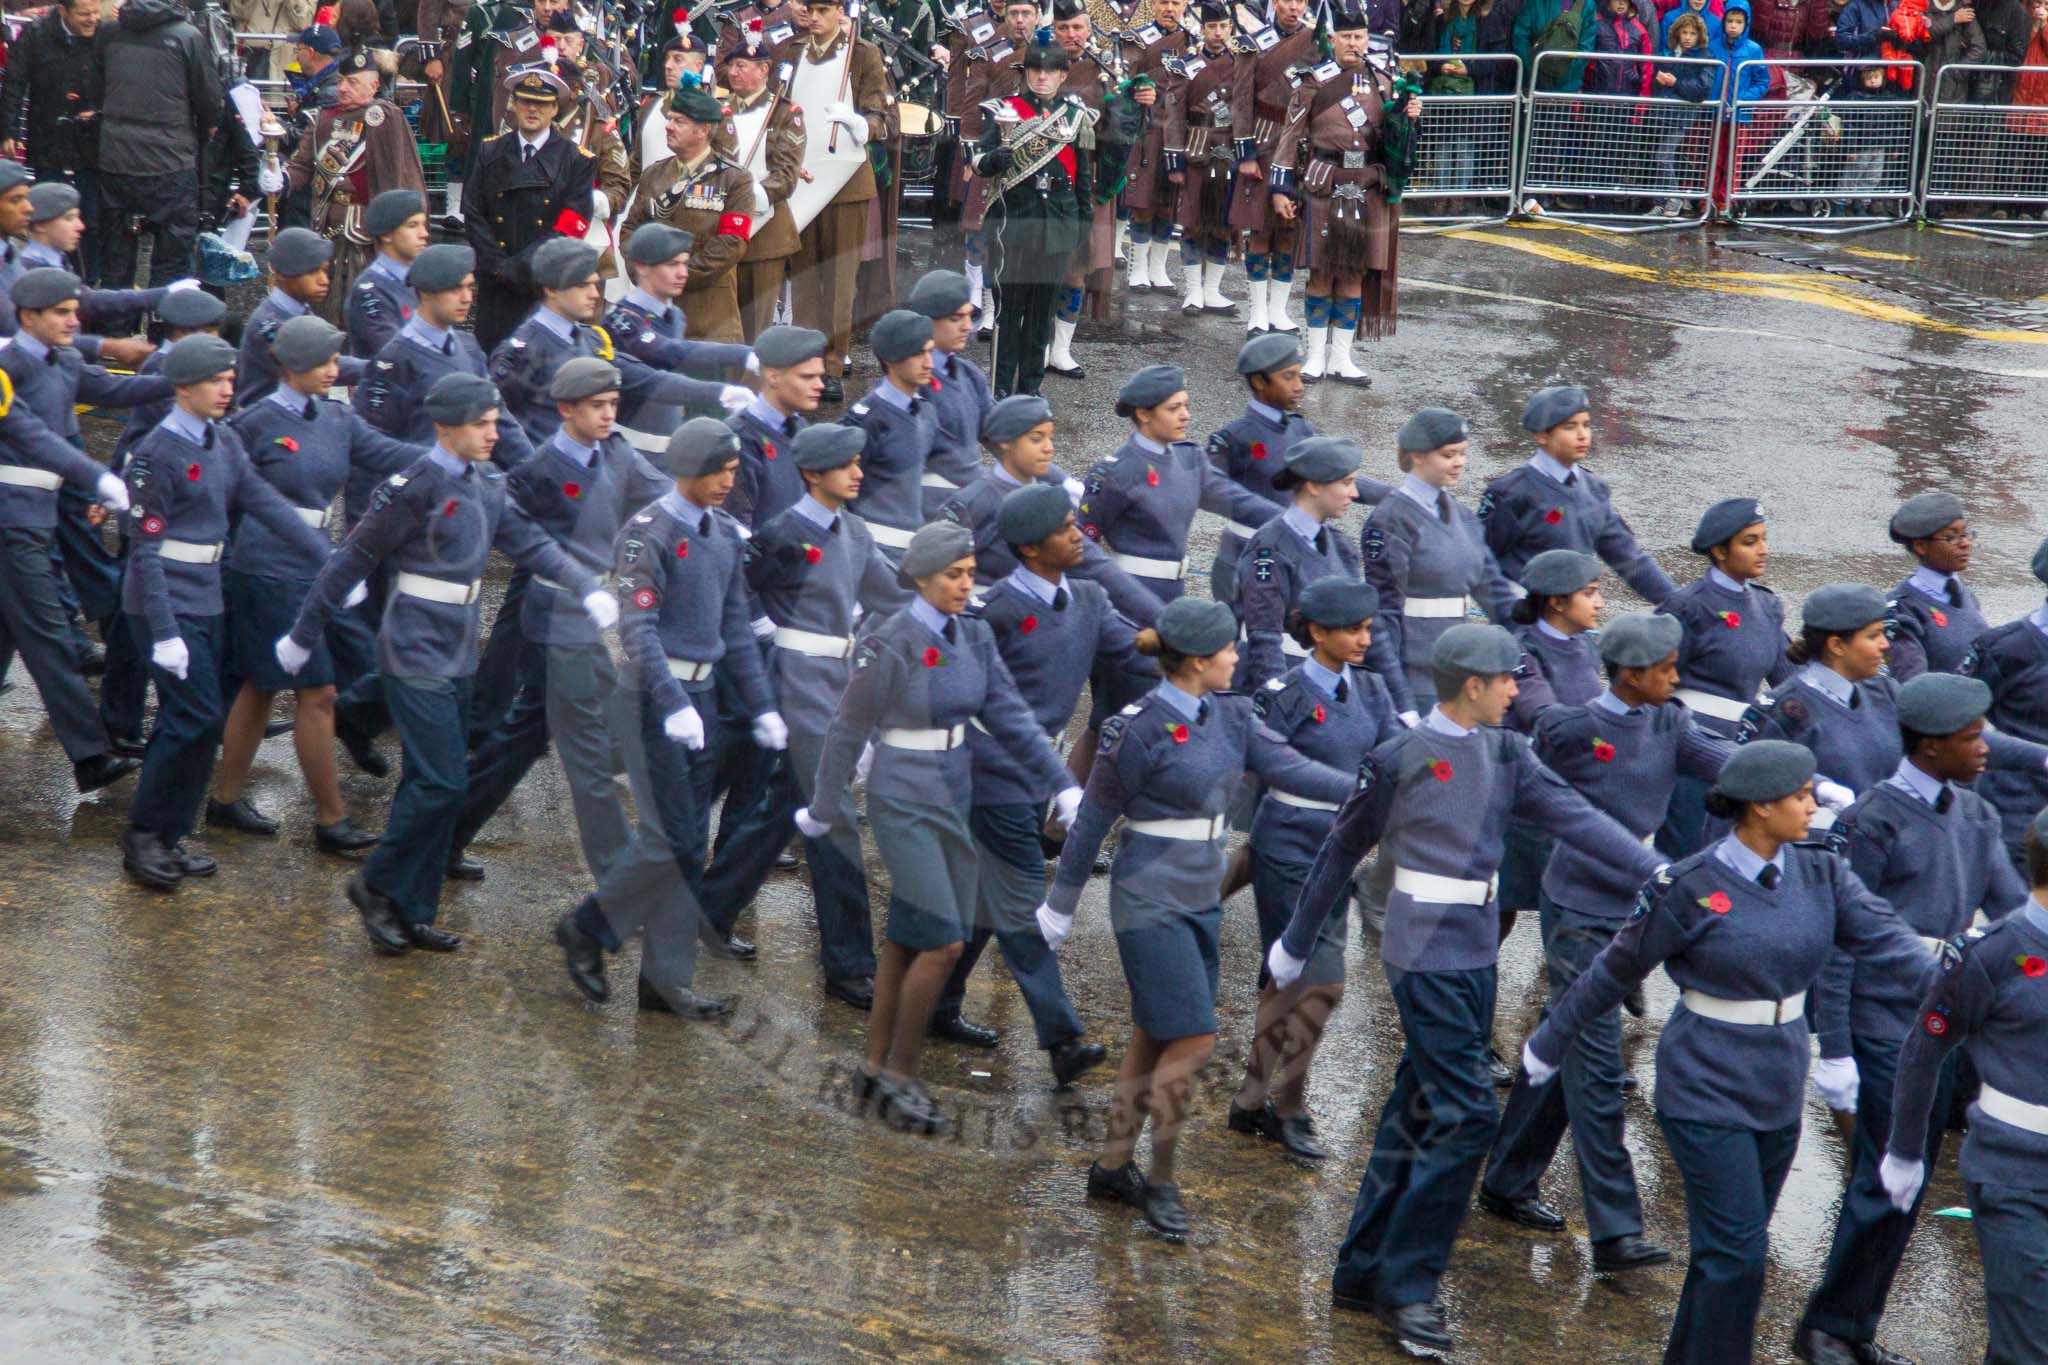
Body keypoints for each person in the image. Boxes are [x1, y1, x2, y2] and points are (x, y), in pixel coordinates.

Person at [1266, 623, 1664, 1355]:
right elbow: (1342, 848)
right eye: (1507, 678)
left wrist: (1660, 872)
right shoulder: (1400, 757)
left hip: (1476, 943)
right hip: (1422, 947)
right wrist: (1295, 940)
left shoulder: (1510, 752)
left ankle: (1359, 1269)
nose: (1519, 689)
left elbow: (1579, 820)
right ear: (1472, 685)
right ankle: (1407, 1288)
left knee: (1416, 1104)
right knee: (1468, 1115)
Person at [1521, 740, 1932, 1364]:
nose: (1812, 806)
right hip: (1703, 1084)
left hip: (1776, 1081)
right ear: (1760, 809)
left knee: (1727, 1253)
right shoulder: (1690, 887)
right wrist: (1548, 1044)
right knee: (1738, 1254)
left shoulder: (1820, 870)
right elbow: (1613, 970)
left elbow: (1886, 940)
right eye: (1800, 797)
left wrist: (1970, 992)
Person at [275, 372, 613, 955]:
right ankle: (376, 884)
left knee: (429, 783)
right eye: (480, 425)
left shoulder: (485, 483)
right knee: (444, 779)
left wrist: (584, 584)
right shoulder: (413, 485)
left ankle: (412, 908)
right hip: (412, 646)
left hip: (456, 647)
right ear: (444, 428)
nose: (493, 435)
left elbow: (531, 544)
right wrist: (304, 636)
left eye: (494, 424)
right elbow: (351, 558)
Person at [1043, 596, 1342, 1236]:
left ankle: (1111, 1166)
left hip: (1200, 891)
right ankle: (1160, 1179)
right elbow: (1093, 821)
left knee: (1156, 1033)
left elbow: (1291, 767)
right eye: (1229, 650)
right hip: (1149, 894)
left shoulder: (1232, 713)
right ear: (1200, 661)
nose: (1239, 657)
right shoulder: (1137, 728)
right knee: (1196, 1037)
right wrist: (1059, 908)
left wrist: (1368, 787)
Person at [804, 521, 1080, 1135]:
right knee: (944, 942)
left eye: (971, 572)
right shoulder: (888, 641)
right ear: (921, 576)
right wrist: (824, 809)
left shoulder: (977, 635)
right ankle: (901, 1077)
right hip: (902, 798)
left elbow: (1008, 715)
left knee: (907, 939)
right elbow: (847, 730)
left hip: (953, 795)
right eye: (953, 574)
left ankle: (873, 1069)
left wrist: (1063, 783)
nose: (965, 584)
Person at [1480, 613, 1733, 1274]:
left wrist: (1796, 782)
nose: (1678, 677)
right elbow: (1516, 779)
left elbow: (1724, 766)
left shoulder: (1669, 721)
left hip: (1635, 904)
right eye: (1666, 668)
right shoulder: (1573, 727)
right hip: (1581, 903)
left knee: (1564, 1040)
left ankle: (1507, 1177)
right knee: (1594, 1063)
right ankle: (1616, 1229)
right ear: (1630, 673)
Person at [1793, 674, 2028, 1365]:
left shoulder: (1977, 814)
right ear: (1930, 745)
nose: (1984, 746)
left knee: (1909, 1180)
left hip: (1942, 1020)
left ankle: (1852, 1325)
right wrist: (1832, 1048)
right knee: (1880, 1178)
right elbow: (1840, 941)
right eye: (1969, 737)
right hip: (1881, 1023)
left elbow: (2014, 908)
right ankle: (1826, 1327)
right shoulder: (1873, 820)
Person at [552, 418, 785, 1020]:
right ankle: (588, 928)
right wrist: (674, 701)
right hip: (653, 701)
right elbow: (636, 628)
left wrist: (760, 705)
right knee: (674, 838)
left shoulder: (726, 535)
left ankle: (663, 981)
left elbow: (734, 625)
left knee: (686, 846)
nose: (727, 481)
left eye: (733, 470)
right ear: (688, 470)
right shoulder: (648, 533)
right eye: (717, 471)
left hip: (702, 702)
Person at [930, 481, 1148, 1081]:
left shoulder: (1086, 599)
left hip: (1039, 771)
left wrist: (1192, 654)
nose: (1078, 533)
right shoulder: (995, 610)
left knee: (982, 896)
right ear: (1029, 548)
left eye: (1075, 523)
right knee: (1024, 898)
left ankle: (938, 1003)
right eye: (1063, 529)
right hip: (994, 768)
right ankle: (1062, 1039)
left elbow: (1134, 652)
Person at [696, 423, 907, 1007]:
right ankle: (848, 965)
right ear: (813, 474)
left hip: (832, 683)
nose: (858, 473)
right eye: (846, 465)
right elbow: (734, 587)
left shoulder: (854, 531)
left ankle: (708, 910)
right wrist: (763, 635)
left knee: (777, 816)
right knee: (831, 819)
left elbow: (891, 596)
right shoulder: (783, 532)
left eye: (859, 462)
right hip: (793, 683)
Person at [443, 357, 675, 884]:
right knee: (588, 747)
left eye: (613, 405)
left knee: (524, 736)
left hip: (585, 622)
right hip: (551, 619)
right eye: (596, 406)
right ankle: (619, 877)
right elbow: (504, 525)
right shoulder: (542, 469)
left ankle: (443, 834)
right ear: (567, 409)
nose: (608, 415)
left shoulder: (615, 451)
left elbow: (663, 495)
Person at [118, 335, 337, 891]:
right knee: (188, 718)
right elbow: (143, 551)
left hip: (207, 594)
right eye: (216, 381)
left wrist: (330, 562)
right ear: (184, 387)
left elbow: (265, 504)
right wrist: (164, 632)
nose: (227, 390)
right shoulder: (155, 454)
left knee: (200, 720)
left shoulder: (222, 442)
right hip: (164, 600)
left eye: (230, 380)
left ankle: (169, 833)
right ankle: (144, 834)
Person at [209, 316, 416, 852]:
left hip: (317, 567)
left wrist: (451, 455)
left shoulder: (337, 418)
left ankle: (226, 799)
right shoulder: (253, 423)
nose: (335, 370)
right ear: (293, 367)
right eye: (325, 362)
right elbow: (221, 488)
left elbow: (390, 454)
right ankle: (330, 819)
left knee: (261, 686)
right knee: (317, 691)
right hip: (268, 568)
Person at [1230, 577, 1401, 1162]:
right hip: (1290, 846)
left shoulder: (1372, 688)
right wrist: (1359, 790)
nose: (1364, 639)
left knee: (1288, 984)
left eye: (1368, 629)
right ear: (1317, 632)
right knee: (1319, 983)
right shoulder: (1286, 692)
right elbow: (1272, 761)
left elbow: (1396, 751)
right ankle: (1287, 1105)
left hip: (1343, 849)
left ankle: (1253, 1097)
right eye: (1352, 630)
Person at [1880, 804, 2048, 1365]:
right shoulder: (1993, 954)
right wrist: (1905, 1150)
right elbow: (1925, 1048)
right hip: (2013, 1172)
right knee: (2030, 1343)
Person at [0, 272, 146, 798]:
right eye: (61, 312)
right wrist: (96, 476)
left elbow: (114, 387)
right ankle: (89, 755)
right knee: (47, 637)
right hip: (10, 520)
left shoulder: (58, 360)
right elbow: (29, 435)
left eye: (72, 309)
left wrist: (182, 376)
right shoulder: (6, 365)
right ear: (28, 317)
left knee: (14, 627)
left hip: (31, 516)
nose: (73, 319)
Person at [1269, 0, 1421, 384]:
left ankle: (1342, 358)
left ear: (1368, 39)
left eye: (1360, 37)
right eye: (1347, 37)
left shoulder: (1384, 82)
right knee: (1321, 274)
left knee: (1354, 275)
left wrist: (1409, 116)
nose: (1354, 44)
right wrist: (1280, 187)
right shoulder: (1311, 82)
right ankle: (1315, 357)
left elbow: (1394, 140)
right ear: (1332, 39)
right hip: (1324, 182)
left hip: (1367, 185)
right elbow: (1289, 138)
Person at [936, 393, 1162, 625]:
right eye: (1036, 439)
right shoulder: (973, 502)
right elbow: (932, 574)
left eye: (1050, 438)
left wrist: (1161, 620)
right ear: (1005, 441)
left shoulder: (1049, 497)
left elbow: (1097, 567)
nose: (1049, 449)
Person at [1359, 407, 1518, 720]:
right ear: (1417, 456)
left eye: (1462, 453)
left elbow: (1496, 594)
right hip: (1415, 679)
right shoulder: (1390, 520)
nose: (1459, 463)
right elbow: (1383, 617)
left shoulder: (1464, 516)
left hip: (1460, 676)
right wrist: (1400, 701)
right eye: (1448, 455)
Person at [1078, 364, 1278, 609]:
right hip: (1127, 599)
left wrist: (1296, 521)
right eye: (1174, 408)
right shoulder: (1115, 472)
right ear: (1143, 414)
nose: (1186, 415)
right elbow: (1084, 547)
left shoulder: (1191, 460)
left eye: (1185, 405)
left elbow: (1240, 503)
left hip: (1175, 598)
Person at [1654, 496, 1790, 855]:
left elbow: (1789, 679)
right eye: (1750, 542)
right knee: (1686, 858)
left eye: (1763, 538)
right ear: (1719, 550)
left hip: (1740, 753)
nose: (1763, 550)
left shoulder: (1767, 606)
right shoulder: (1689, 606)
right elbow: (1651, 683)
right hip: (1691, 753)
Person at [970, 32, 1102, 399]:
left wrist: (1083, 229)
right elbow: (978, 161)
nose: (1041, 77)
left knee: (1042, 313)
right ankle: (999, 385)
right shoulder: (1004, 110)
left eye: (1050, 71)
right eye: (1035, 70)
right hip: (1013, 225)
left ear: (1063, 75)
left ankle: (1030, 387)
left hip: (1057, 225)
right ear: (1025, 72)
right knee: (1009, 311)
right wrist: (993, 160)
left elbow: (1083, 181)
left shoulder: (1077, 118)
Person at [1478, 385, 1677, 606]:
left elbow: (1630, 560)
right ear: (1542, 435)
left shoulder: (1594, 489)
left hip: (1573, 621)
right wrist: (1510, 612)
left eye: (1587, 425)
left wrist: (1683, 607)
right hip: (1523, 621)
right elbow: (1481, 561)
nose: (1583, 435)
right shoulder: (1511, 493)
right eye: (1570, 427)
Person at [784, 0, 892, 405]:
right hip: (803, 177)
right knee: (806, 275)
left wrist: (860, 124)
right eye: (809, 8)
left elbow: (880, 114)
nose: (814, 16)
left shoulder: (862, 53)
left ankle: (832, 361)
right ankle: (806, 356)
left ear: (839, 13)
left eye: (824, 9)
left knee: (839, 279)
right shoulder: (795, 52)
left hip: (844, 178)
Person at [270, 47, 427, 322]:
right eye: (341, 80)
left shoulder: (384, 118)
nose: (343, 88)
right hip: (325, 228)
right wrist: (279, 178)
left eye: (352, 82)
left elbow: (401, 177)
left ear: (374, 85)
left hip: (365, 235)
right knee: (324, 309)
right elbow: (301, 166)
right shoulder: (323, 119)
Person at [461, 66, 598, 353]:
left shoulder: (576, 160)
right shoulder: (490, 152)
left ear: (554, 109)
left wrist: (522, 268)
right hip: (495, 285)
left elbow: (571, 225)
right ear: (513, 104)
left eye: (542, 104)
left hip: (546, 286)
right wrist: (499, 266)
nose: (532, 109)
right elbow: (474, 213)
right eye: (525, 101)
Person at [94, 0, 224, 290]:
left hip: (116, 160)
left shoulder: (110, 33)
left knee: (116, 262)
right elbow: (210, 99)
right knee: (171, 264)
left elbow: (97, 84)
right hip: (170, 162)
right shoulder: (187, 36)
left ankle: (116, 327)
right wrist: (203, 131)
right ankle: (163, 328)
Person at [621, 83, 760, 347]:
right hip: (654, 318)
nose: (668, 126)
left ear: (703, 130)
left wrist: (675, 276)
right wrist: (644, 273)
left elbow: (731, 244)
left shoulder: (734, 179)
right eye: (670, 119)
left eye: (679, 121)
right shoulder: (654, 174)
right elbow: (630, 230)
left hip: (709, 321)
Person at [601, 223, 756, 458]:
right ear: (642, 267)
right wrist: (742, 356)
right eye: (672, 264)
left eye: (684, 263)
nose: (683, 273)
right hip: (630, 450)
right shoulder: (622, 321)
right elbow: (669, 352)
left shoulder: (674, 315)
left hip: (669, 447)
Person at [1234, 437, 1364, 693]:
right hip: (1291, 680)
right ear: (1313, 486)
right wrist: (1280, 701)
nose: (1355, 493)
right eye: (1346, 483)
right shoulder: (1269, 548)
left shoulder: (1341, 546)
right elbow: (1264, 639)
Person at [1229, 0, 1321, 336]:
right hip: (1264, 139)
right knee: (1260, 231)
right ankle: (1257, 311)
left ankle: (1279, 312)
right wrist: (1246, 153)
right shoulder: (1252, 44)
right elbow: (1240, 102)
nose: (1294, 7)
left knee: (1289, 231)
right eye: (1287, 0)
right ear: (1275, 4)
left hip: (1301, 147)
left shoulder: (1318, 41)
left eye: (1300, 1)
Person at [1, 0, 105, 283]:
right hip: (48, 140)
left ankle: (88, 284)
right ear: (63, 11)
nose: (92, 19)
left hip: (92, 146)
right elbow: (14, 83)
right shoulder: (36, 34)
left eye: (96, 12)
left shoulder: (104, 35)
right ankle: (46, 278)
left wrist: (100, 113)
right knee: (49, 215)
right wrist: (9, 131)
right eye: (84, 14)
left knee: (91, 221)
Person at [719, 29, 807, 342]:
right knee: (726, 323)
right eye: (731, 66)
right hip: (723, 227)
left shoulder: (785, 113)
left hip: (766, 232)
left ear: (764, 70)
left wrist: (753, 195)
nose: (733, 72)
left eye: (741, 66)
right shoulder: (718, 111)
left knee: (756, 327)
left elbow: (786, 172)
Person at [955, 0, 1040, 323]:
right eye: (1014, 14)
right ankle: (974, 289)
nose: (1019, 21)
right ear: (1005, 17)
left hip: (1031, 152)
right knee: (979, 225)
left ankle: (1002, 300)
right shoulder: (985, 52)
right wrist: (971, 157)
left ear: (1037, 17)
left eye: (1026, 14)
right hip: (991, 149)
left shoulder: (1048, 56)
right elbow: (971, 105)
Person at [840, 310, 939, 563]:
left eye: (930, 352)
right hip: (876, 554)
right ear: (890, 360)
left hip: (915, 551)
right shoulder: (866, 420)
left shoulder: (926, 411)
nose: (929, 363)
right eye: (918, 354)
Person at [237, 228, 369, 408]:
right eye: (313, 272)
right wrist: (378, 368)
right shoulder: (267, 324)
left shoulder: (300, 310)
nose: (324, 280)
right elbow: (316, 360)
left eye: (324, 271)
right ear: (283, 275)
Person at [1169, 2, 1244, 316]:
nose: (1217, 32)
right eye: (1212, 26)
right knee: (1192, 223)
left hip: (1228, 150)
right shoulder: (1186, 63)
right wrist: (1174, 163)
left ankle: (1212, 291)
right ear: (1201, 29)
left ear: (1231, 29)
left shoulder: (1243, 63)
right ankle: (1193, 291)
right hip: (1196, 149)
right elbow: (1173, 114)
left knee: (1223, 224)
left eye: (1224, 26)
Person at [903, 270, 993, 516]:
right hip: (930, 515)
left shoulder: (968, 373)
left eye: (969, 316)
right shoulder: (912, 382)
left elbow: (1005, 435)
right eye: (955, 318)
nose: (967, 327)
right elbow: (951, 465)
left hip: (967, 502)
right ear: (927, 322)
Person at [1118, 0, 1191, 299]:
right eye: (1163, 2)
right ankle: (1137, 268)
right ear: (1151, 4)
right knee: (1143, 202)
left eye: (1176, 2)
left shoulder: (1193, 40)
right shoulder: (1137, 39)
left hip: (1179, 131)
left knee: (1168, 203)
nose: (1169, 8)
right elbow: (1124, 82)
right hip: (1146, 128)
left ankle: (1158, 269)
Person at [727, 324, 828, 529]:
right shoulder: (739, 440)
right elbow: (736, 529)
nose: (820, 385)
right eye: (808, 377)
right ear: (774, 377)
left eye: (820, 376)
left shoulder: (801, 429)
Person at [1881, 490, 1983, 681]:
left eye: (1965, 533)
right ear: (1920, 546)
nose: (1965, 543)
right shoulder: (1901, 610)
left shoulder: (1967, 596)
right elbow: (1913, 686)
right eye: (1951, 537)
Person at [345, 189, 432, 359]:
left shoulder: (421, 279)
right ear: (386, 234)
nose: (424, 234)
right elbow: (398, 358)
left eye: (423, 224)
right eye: (413, 226)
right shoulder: (371, 292)